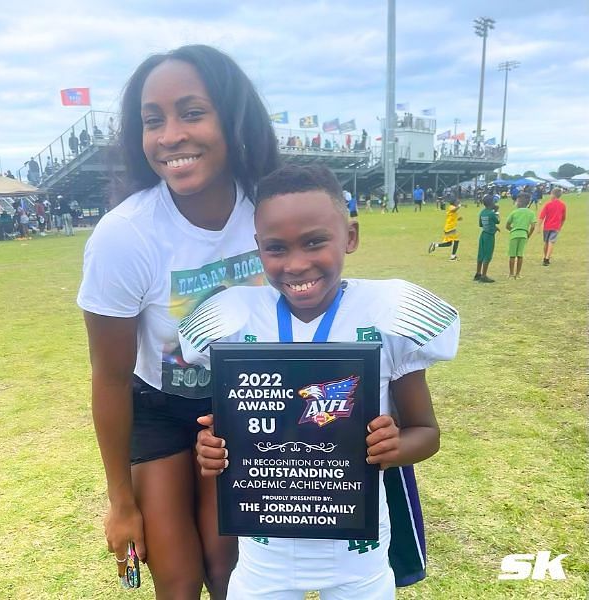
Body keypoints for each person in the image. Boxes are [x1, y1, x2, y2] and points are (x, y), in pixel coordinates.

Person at [184, 164, 458, 599]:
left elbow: (427, 433)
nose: (296, 264)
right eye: (276, 248)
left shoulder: (386, 313)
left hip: (358, 549)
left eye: (315, 241)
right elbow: (234, 431)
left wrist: (395, 446)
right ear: (258, 249)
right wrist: (212, 449)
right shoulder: (234, 318)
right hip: (264, 552)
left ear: (349, 236)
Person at [77, 44, 280, 598]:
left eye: (192, 112)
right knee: (179, 579)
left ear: (232, 118)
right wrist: (121, 503)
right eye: (153, 120)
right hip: (159, 410)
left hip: (246, 404)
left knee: (229, 571)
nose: (170, 135)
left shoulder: (270, 207)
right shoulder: (126, 236)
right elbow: (110, 378)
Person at [506, 195, 537, 279]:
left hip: (514, 235)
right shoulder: (531, 213)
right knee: (520, 255)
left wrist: (512, 229)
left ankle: (511, 274)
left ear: (518, 202)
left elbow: (507, 225)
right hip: (523, 235)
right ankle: (518, 274)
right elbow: (533, 226)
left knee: (512, 255)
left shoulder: (514, 212)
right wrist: (528, 235)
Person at [474, 194, 501, 282]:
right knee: (487, 255)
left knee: (481, 254)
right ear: (491, 203)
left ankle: (478, 273)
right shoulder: (491, 213)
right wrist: (496, 212)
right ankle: (484, 275)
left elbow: (481, 224)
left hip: (483, 235)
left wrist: (493, 227)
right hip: (489, 236)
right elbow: (498, 221)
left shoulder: (482, 212)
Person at [538, 188, 567, 266]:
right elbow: (563, 218)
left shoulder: (548, 204)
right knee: (551, 242)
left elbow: (541, 216)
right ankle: (547, 258)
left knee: (547, 242)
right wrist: (560, 226)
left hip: (547, 227)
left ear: (553, 195)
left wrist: (538, 227)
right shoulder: (562, 205)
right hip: (556, 227)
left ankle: (545, 257)